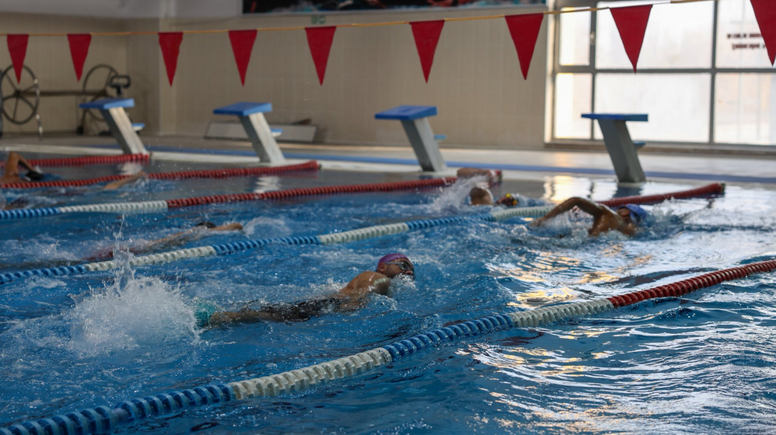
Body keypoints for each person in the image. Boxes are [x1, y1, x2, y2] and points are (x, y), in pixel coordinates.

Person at [198, 253, 415, 327]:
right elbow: (365, 290)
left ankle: (214, 317)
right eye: (403, 265)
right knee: (264, 316)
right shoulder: (376, 276)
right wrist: (354, 305)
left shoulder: (379, 281)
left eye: (411, 270)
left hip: (324, 305)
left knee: (267, 315)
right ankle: (210, 318)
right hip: (329, 307)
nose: (407, 272)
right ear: (383, 266)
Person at [86, 221, 244, 261]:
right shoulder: (198, 232)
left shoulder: (191, 233)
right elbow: (237, 225)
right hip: (145, 247)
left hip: (143, 245)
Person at [531, 197, 648, 237]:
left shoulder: (607, 213)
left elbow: (576, 200)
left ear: (625, 213)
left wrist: (545, 219)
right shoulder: (626, 231)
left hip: (581, 242)